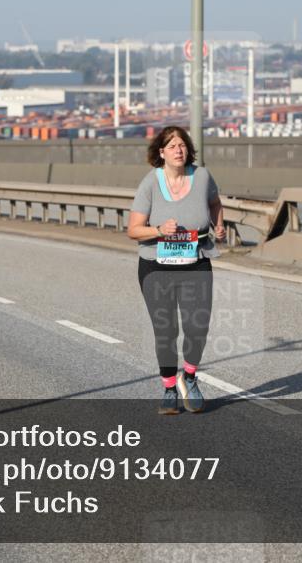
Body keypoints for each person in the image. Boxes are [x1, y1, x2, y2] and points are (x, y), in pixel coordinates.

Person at [128, 127, 225, 415]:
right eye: (171, 146)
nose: (178, 150)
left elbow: (215, 203)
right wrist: (158, 230)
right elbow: (133, 230)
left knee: (198, 326)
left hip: (196, 262)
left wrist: (218, 225)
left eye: (182, 145)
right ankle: (169, 388)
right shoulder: (150, 183)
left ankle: (190, 377)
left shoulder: (203, 176)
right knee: (166, 330)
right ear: (161, 153)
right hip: (156, 267)